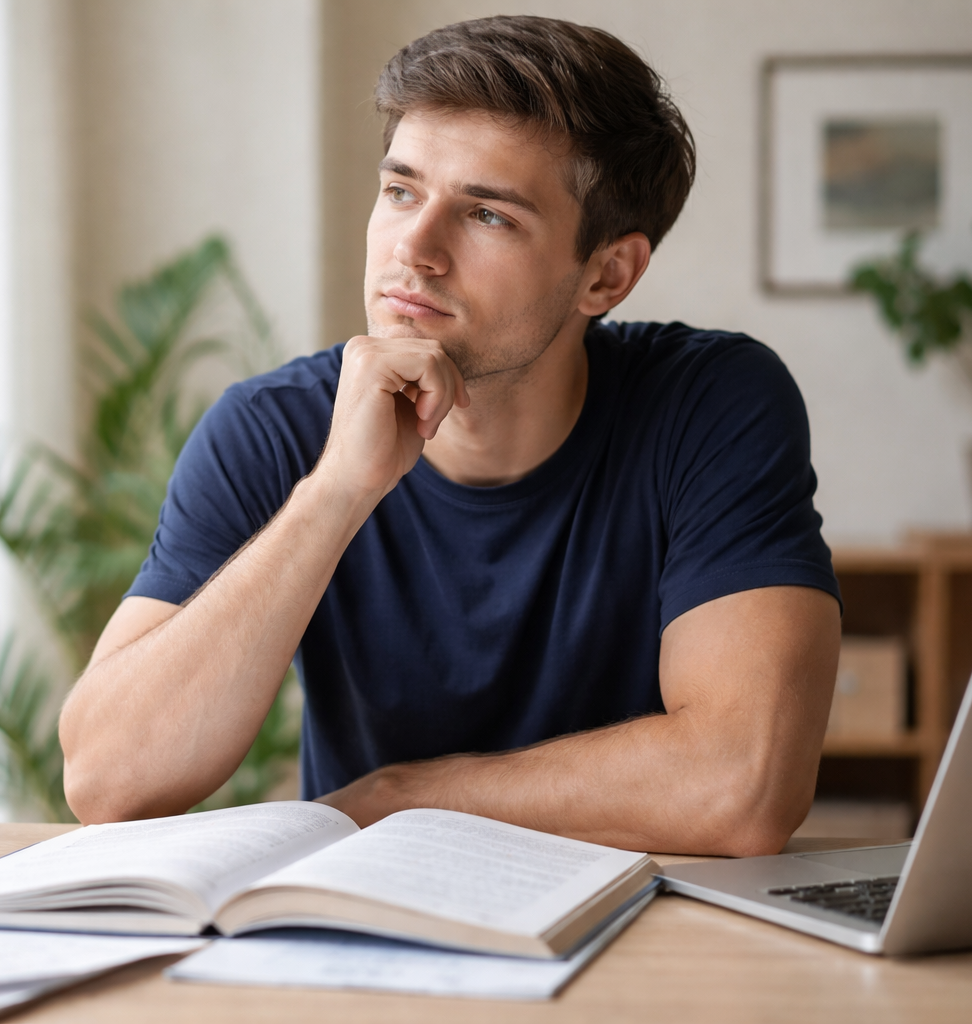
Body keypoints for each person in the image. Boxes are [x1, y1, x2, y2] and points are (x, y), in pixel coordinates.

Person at [59, 15, 841, 856]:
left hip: (640, 938)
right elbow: (109, 778)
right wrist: (334, 494)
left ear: (606, 274)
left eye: (488, 216)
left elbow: (743, 784)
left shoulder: (709, 404)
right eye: (401, 191)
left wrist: (402, 797)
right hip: (366, 937)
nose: (415, 249)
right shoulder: (272, 429)